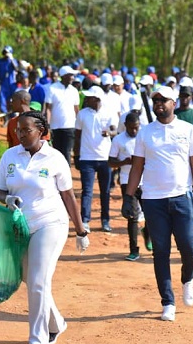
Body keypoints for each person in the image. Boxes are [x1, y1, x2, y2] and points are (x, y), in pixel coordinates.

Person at [0, 111, 88, 344]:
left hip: (50, 223)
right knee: (29, 277)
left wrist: (81, 231)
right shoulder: (9, 156)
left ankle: (39, 340)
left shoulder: (55, 158)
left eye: (26, 130)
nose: (21, 134)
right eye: (18, 130)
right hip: (20, 226)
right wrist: (8, 198)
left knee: (38, 280)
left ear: (41, 131)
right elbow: (0, 191)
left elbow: (68, 195)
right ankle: (56, 323)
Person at [126, 85, 193, 322]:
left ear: (174, 103)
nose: (159, 104)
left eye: (163, 100)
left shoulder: (188, 130)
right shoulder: (145, 132)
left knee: (189, 247)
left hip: (182, 197)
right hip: (153, 200)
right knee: (160, 251)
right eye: (156, 100)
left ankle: (187, 280)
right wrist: (129, 196)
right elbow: (137, 167)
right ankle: (168, 302)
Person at [74, 85, 118, 232]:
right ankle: (85, 221)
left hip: (105, 158)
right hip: (87, 158)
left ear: (97, 99)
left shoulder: (109, 112)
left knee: (105, 191)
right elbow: (77, 136)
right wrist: (77, 156)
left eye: (89, 97)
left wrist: (109, 133)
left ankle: (105, 220)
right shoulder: (82, 114)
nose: (86, 99)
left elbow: (115, 130)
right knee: (87, 191)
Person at [109, 111, 151, 261]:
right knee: (132, 216)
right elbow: (110, 162)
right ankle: (134, 250)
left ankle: (147, 234)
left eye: (136, 127)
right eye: (131, 127)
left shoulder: (145, 137)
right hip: (127, 181)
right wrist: (124, 162)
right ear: (125, 125)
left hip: (146, 180)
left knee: (151, 213)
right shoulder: (118, 140)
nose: (134, 130)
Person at [44, 65, 80, 164]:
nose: (72, 77)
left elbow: (76, 109)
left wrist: (79, 125)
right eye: (70, 75)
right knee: (56, 152)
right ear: (64, 76)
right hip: (55, 127)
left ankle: (67, 172)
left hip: (70, 126)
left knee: (67, 151)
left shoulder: (74, 91)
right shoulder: (52, 88)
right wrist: (48, 125)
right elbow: (48, 108)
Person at [0, 46, 17, 116]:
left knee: (13, 102)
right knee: (2, 102)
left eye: (7, 52)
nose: (5, 54)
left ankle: (13, 116)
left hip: (12, 84)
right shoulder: (0, 62)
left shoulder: (12, 61)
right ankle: (5, 117)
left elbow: (16, 68)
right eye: (4, 52)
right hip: (3, 85)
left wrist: (11, 59)